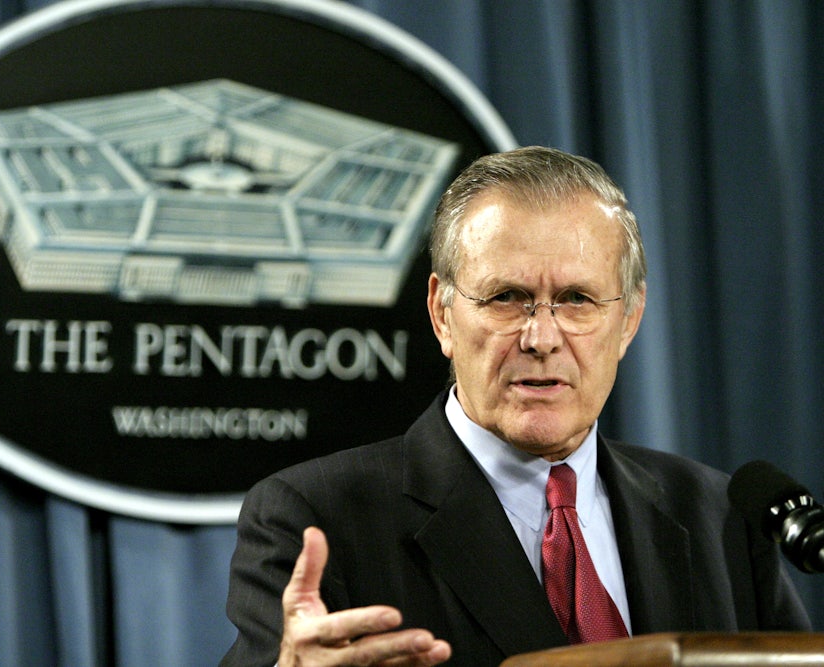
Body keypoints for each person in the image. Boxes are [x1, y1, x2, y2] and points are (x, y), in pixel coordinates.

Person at [220, 146, 811, 666]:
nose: (542, 337)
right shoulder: (316, 518)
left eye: (577, 300)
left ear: (628, 319)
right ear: (442, 314)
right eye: (508, 298)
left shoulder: (720, 516)